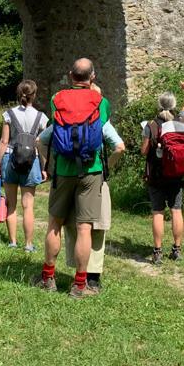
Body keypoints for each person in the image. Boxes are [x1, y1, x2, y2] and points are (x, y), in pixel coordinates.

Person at [36, 58, 112, 299]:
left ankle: (48, 278)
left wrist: (48, 165)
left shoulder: (56, 99)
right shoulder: (102, 102)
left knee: (54, 224)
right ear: (93, 77)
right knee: (84, 228)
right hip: (91, 170)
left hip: (63, 171)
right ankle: (80, 285)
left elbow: (53, 131)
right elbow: (105, 130)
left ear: (70, 75)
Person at [59, 81, 125, 293]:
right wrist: (108, 167)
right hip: (95, 175)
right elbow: (119, 147)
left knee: (74, 227)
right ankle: (93, 278)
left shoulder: (64, 120)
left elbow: (43, 141)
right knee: (97, 226)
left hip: (67, 174)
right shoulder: (101, 121)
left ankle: (78, 272)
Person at [141, 81, 184, 265]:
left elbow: (144, 151)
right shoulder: (180, 122)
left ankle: (157, 252)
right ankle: (177, 250)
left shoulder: (151, 125)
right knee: (176, 210)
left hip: (156, 176)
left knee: (158, 212)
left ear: (159, 105)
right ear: (173, 106)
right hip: (177, 175)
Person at [0, 80, 47, 251]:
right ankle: (29, 245)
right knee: (28, 205)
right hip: (32, 162)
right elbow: (42, 144)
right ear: (34, 95)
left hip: (10, 160)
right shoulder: (41, 117)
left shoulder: (8, 115)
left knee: (11, 203)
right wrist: (44, 167)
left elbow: (4, 141)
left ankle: (12, 242)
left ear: (18, 94)